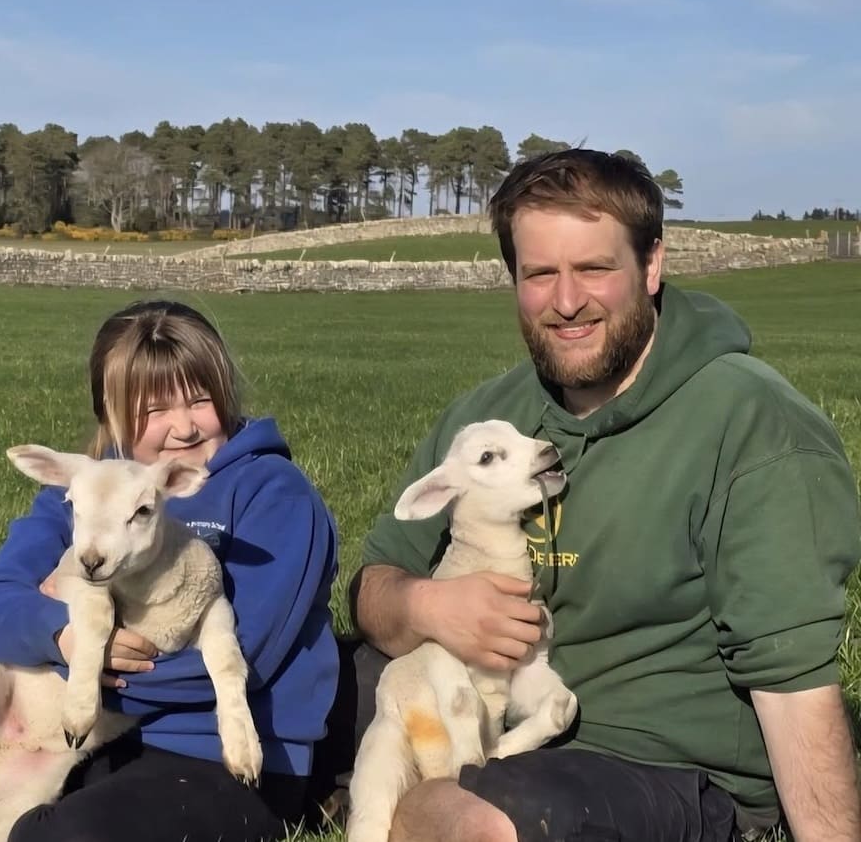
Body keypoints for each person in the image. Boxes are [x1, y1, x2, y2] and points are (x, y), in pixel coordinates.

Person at [348, 148, 861, 841]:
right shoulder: (491, 418)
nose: (566, 302)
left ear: (651, 267)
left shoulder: (751, 426)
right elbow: (374, 583)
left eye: (593, 268)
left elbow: (795, 685)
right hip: (502, 715)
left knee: (456, 817)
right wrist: (427, 604)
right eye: (540, 274)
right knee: (313, 678)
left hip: (658, 766)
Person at [0, 299, 339, 841]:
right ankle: (17, 791)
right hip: (89, 725)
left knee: (57, 837)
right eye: (153, 411)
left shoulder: (274, 493)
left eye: (201, 400)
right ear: (114, 415)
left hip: (210, 750)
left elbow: (254, 648)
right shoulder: (90, 488)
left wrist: (97, 669)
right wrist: (65, 639)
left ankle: (8, 806)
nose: (185, 427)